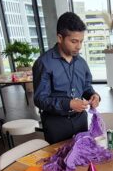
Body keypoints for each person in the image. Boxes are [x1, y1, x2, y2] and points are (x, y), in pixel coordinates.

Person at [33, 12, 100, 144]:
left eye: (81, 41)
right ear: (60, 38)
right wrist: (68, 104)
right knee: (59, 162)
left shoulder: (81, 63)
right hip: (56, 125)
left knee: (81, 159)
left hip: (80, 120)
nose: (79, 46)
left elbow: (86, 87)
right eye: (74, 41)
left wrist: (94, 95)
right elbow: (40, 99)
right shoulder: (44, 63)